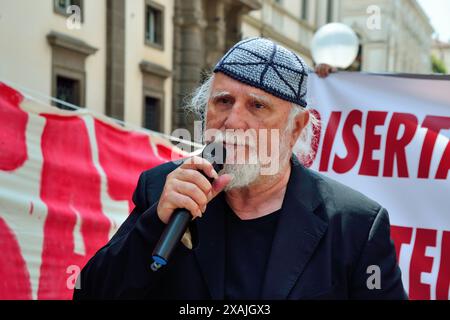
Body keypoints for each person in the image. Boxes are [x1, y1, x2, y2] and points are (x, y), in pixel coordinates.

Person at [73, 37, 407, 300]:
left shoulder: (356, 225)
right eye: (223, 101)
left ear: (296, 128)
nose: (233, 121)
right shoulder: (161, 189)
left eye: (257, 106)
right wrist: (152, 226)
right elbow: (90, 292)